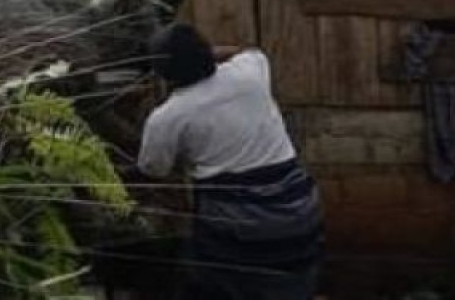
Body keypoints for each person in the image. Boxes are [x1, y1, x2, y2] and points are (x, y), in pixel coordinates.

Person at [137, 24, 323, 300]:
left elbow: (153, 168)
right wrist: (210, 53)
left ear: (163, 73)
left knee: (217, 282)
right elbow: (248, 51)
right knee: (290, 285)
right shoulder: (248, 74)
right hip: (299, 211)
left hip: (236, 227)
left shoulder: (168, 117)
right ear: (208, 53)